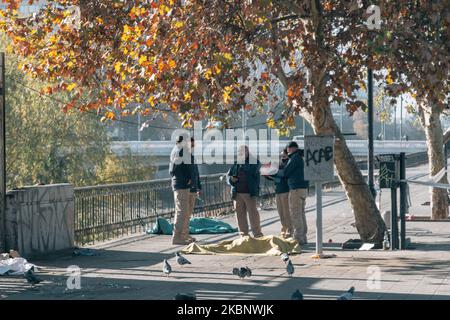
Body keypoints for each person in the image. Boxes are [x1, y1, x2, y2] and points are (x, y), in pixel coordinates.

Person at [227, 145, 263, 238]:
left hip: (249, 193)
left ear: (248, 152)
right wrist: (231, 180)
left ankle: (257, 234)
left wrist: (242, 163)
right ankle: (243, 235)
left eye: (243, 152)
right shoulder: (236, 163)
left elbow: (252, 171)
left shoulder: (254, 162)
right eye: (239, 152)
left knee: (253, 214)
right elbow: (228, 176)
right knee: (240, 215)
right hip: (237, 193)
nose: (241, 154)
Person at [169, 135, 194, 245]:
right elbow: (180, 168)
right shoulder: (181, 151)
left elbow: (173, 170)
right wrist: (189, 178)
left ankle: (181, 236)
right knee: (182, 212)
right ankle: (177, 237)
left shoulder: (176, 150)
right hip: (182, 185)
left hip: (180, 184)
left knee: (182, 211)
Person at [283, 141, 309, 245]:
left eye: (287, 149)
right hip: (303, 188)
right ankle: (303, 236)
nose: (287, 151)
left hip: (296, 189)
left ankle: (298, 238)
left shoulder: (294, 158)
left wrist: (285, 162)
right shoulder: (301, 157)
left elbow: (286, 172)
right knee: (301, 213)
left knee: (295, 213)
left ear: (292, 148)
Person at [265, 148, 294, 239]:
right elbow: (272, 174)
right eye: (281, 154)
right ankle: (284, 229)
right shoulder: (277, 163)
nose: (282, 156)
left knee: (287, 212)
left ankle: (290, 230)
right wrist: (267, 174)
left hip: (286, 190)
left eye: (284, 154)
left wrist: (276, 175)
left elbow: (285, 175)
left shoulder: (289, 163)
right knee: (281, 212)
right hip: (278, 190)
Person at [185, 137, 202, 243]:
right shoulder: (184, 156)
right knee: (185, 213)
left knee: (189, 213)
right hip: (186, 189)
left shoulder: (192, 156)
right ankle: (183, 234)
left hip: (193, 189)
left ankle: (186, 234)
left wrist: (198, 187)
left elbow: (196, 173)